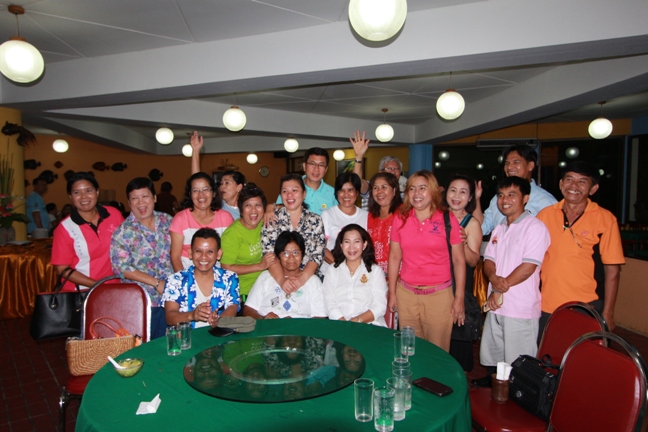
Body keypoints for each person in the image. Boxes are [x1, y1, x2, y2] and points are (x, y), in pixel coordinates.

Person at [536, 161, 624, 336]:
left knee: (582, 352)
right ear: (561, 184)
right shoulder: (545, 215)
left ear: (593, 189)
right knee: (545, 351)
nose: (574, 186)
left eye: (582, 181)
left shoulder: (605, 219)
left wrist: (608, 312)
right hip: (545, 305)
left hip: (587, 306)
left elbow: (612, 270)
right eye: (569, 179)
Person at [478, 176, 550, 381]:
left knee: (519, 365)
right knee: (496, 359)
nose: (505, 200)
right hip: (496, 305)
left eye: (511, 195)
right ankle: (499, 393)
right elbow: (489, 260)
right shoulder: (500, 228)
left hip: (520, 309)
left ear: (525, 198)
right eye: (501, 195)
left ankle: (518, 397)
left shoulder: (535, 227)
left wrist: (498, 288)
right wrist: (493, 278)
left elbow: (528, 267)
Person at [388, 170, 466, 352]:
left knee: (437, 352)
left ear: (433, 191)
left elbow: (459, 260)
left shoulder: (447, 219)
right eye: (412, 189)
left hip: (438, 296)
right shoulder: (401, 217)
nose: (417, 193)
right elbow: (394, 256)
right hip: (406, 295)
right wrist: (392, 293)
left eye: (422, 188)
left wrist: (459, 297)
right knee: (409, 350)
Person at [110, 177, 173, 339]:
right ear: (129, 203)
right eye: (135, 198)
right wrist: (157, 283)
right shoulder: (123, 232)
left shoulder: (168, 221)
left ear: (154, 198)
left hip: (172, 299)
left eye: (145, 196)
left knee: (172, 344)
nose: (141, 203)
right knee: (147, 347)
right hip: (143, 302)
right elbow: (121, 268)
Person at [51, 172, 124, 290]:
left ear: (97, 192)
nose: (83, 197)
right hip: (81, 291)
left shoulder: (113, 214)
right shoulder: (65, 228)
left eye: (88, 191)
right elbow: (62, 269)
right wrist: (97, 285)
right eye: (77, 192)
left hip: (115, 287)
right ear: (70, 196)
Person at [163, 228, 240, 328]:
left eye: (210, 252)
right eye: (198, 251)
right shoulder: (175, 280)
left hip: (219, 335)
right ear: (190, 253)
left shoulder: (230, 278)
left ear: (218, 254)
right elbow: (170, 317)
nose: (203, 257)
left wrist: (219, 321)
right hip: (187, 337)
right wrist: (192, 315)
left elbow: (233, 307)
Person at [261, 174, 326, 291]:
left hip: (309, 280)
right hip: (277, 279)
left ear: (304, 194)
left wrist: (301, 280)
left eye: (294, 190)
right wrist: (282, 281)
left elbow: (317, 255)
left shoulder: (315, 220)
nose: (289, 195)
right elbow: (269, 255)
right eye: (285, 191)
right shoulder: (271, 219)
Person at [474, 145, 556, 235]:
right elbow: (482, 228)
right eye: (507, 163)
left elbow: (554, 236)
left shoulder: (545, 202)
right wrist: (476, 199)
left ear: (530, 166)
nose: (509, 167)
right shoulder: (499, 198)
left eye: (516, 162)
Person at [445, 174, 483, 371]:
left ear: (469, 198)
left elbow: (474, 260)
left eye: (462, 192)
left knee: (456, 336)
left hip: (459, 284)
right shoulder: (437, 216)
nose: (456, 196)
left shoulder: (472, 223)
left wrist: (464, 242)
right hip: (438, 283)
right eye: (453, 190)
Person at [244, 231, 326, 319]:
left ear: (302, 256)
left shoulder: (313, 281)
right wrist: (263, 319)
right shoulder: (265, 276)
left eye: (295, 253)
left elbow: (321, 317)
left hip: (300, 327)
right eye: (285, 253)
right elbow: (248, 309)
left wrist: (297, 324)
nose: (291, 257)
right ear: (278, 257)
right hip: (270, 326)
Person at [322, 224, 387, 326]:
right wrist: (345, 325)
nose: (351, 247)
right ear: (341, 245)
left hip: (370, 325)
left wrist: (356, 322)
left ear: (364, 245)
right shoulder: (332, 270)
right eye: (347, 242)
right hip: (340, 326)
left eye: (356, 241)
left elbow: (380, 306)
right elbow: (329, 303)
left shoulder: (375, 271)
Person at [220, 184, 276, 299]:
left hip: (268, 286)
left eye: (258, 205)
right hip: (244, 292)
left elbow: (290, 206)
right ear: (241, 210)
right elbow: (226, 267)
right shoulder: (232, 234)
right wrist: (260, 266)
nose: (253, 210)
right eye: (248, 205)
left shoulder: (264, 222)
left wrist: (271, 206)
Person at [170, 172, 234, 271]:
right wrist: (184, 279)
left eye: (205, 189)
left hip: (218, 275)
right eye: (195, 190)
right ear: (190, 194)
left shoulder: (226, 218)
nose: (201, 194)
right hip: (187, 273)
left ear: (213, 193)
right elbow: (175, 257)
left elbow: (231, 252)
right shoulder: (181, 219)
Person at [266, 147, 337, 218]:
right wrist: (271, 207)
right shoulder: (289, 188)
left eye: (321, 165)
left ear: (326, 169)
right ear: (304, 166)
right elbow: (278, 211)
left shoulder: (333, 194)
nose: (316, 169)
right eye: (312, 164)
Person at [321, 172, 368, 273]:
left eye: (350, 190)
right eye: (341, 190)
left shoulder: (366, 216)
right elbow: (321, 246)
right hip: (331, 270)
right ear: (336, 193)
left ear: (357, 192)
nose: (346, 195)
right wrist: (342, 268)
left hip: (358, 272)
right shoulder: (328, 214)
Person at [350, 130, 408, 209]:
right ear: (380, 172)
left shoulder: (405, 192)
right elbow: (357, 182)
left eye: (396, 169)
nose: (393, 171)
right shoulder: (374, 188)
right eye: (388, 168)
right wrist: (359, 157)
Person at [366, 172, 403, 275]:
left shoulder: (405, 214)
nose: (379, 192)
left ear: (394, 190)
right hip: (375, 275)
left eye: (384, 187)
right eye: (375, 188)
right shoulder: (370, 216)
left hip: (399, 275)